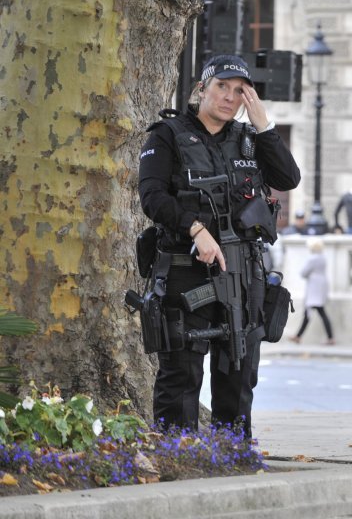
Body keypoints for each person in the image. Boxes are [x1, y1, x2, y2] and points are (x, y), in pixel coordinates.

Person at [138, 54, 301, 436]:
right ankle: (176, 455)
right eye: (221, 87)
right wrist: (195, 228)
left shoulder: (249, 139)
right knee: (182, 372)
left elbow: (288, 177)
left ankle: (232, 456)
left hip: (243, 273)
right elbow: (152, 196)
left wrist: (264, 126)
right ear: (202, 89)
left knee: (238, 372)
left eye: (239, 91)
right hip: (186, 269)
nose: (229, 97)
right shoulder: (168, 135)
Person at [290, 238, 334, 345]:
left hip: (314, 287)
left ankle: (329, 337)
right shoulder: (322, 258)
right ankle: (298, 336)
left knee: (313, 312)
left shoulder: (312, 259)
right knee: (315, 312)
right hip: (321, 286)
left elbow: (303, 273)